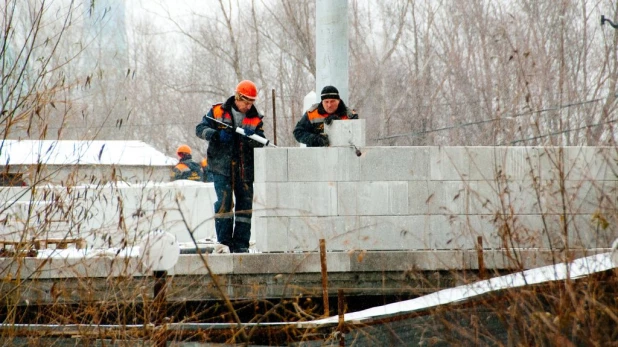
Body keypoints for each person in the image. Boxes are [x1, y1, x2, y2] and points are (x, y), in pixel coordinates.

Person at [195, 80, 265, 253]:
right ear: (237, 97)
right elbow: (200, 128)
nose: (248, 106)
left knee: (245, 206)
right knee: (224, 203)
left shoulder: (255, 119)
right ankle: (224, 243)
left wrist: (252, 138)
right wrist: (215, 135)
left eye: (251, 103)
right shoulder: (217, 111)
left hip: (245, 169)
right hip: (221, 167)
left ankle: (241, 245)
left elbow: (261, 142)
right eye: (246, 102)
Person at [293, 85, 359, 147]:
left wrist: (339, 123)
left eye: (332, 101)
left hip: (342, 155)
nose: (329, 105)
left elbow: (356, 137)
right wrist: (316, 139)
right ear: (322, 102)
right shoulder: (312, 114)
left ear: (338, 101)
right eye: (326, 102)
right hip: (317, 155)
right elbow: (298, 133)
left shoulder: (350, 115)